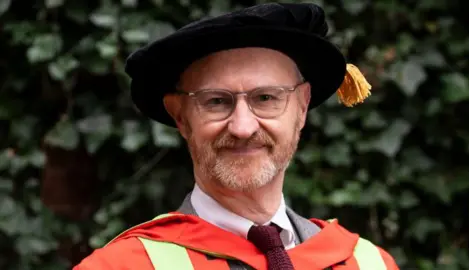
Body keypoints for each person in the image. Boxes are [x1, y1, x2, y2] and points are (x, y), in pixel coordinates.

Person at [74, 2, 399, 270]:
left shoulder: (368, 264)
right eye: (216, 101)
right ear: (180, 116)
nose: (243, 127)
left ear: (302, 107)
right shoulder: (121, 266)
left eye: (266, 98)